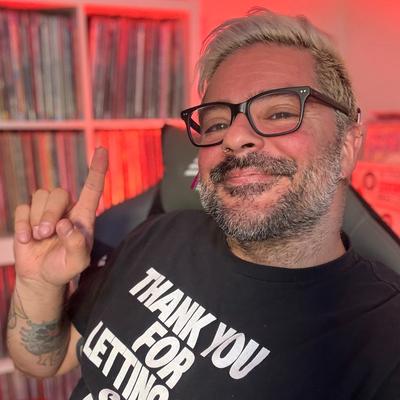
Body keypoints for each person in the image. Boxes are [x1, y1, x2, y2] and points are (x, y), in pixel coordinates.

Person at [7, 9, 400, 400]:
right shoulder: (156, 234)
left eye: (280, 113)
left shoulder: (383, 344)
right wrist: (38, 284)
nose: (234, 138)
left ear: (347, 147)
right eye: (216, 124)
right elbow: (48, 359)